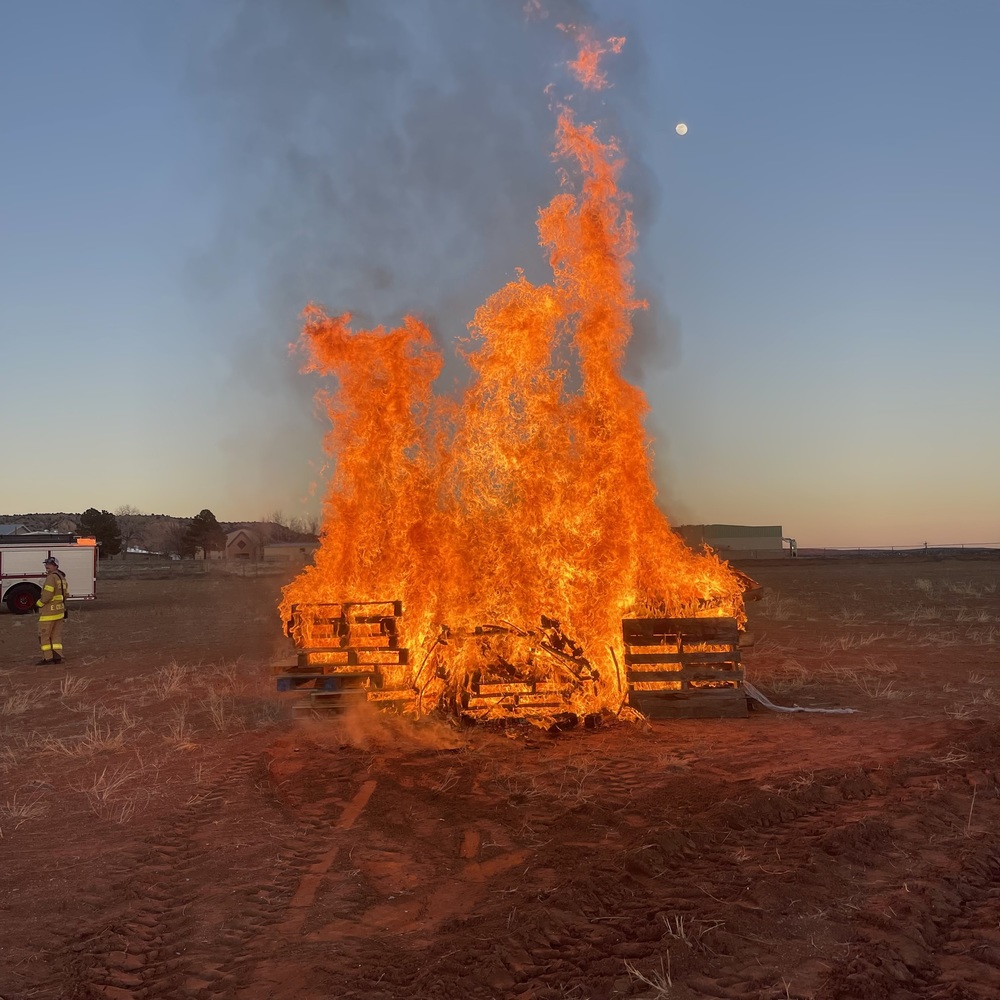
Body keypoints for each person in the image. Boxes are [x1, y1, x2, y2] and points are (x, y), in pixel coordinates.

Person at [35, 556, 68, 665]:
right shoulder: (61, 577)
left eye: (49, 564)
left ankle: (47, 658)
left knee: (44, 636)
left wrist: (38, 604)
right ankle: (57, 656)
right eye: (46, 564)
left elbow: (47, 595)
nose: (47, 566)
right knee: (56, 636)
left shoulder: (50, 578)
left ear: (55, 566)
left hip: (48, 613)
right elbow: (65, 594)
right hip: (59, 612)